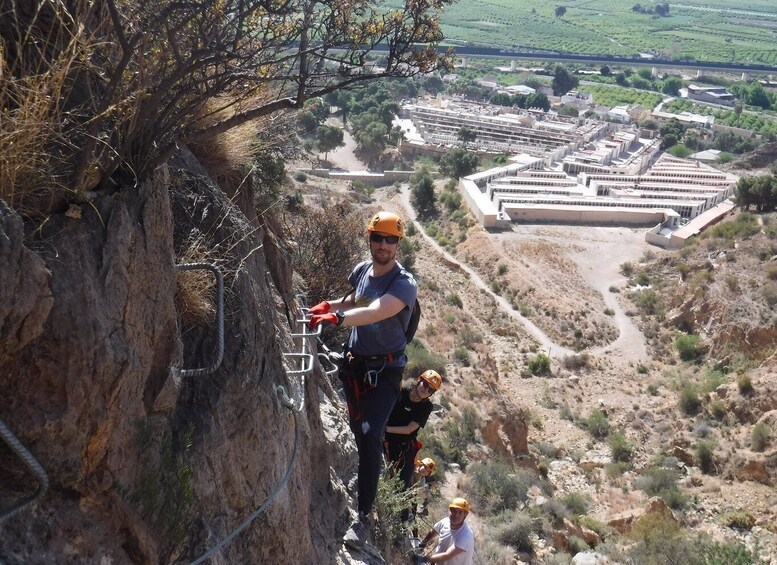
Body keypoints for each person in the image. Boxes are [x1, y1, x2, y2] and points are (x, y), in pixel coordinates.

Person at [308, 211, 418, 551]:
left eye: (390, 240)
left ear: (398, 244)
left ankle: (364, 516)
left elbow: (378, 310)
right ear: (369, 237)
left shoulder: (404, 284)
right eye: (378, 237)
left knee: (371, 433)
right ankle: (369, 469)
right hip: (355, 365)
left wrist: (338, 316)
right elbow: (360, 300)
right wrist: (330, 304)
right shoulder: (362, 271)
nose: (383, 245)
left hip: (386, 370)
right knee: (359, 431)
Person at [384, 370, 442, 490]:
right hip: (386, 437)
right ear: (419, 380)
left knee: (403, 485)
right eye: (425, 384)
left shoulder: (426, 407)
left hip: (404, 447)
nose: (425, 390)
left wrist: (384, 429)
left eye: (430, 390)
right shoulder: (403, 391)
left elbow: (409, 429)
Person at [413, 498, 475, 565]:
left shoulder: (466, 535)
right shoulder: (445, 522)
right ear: (450, 510)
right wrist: (422, 544)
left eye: (460, 512)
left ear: (465, 514)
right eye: (454, 511)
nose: (456, 515)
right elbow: (433, 532)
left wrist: (425, 559)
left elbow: (447, 555)